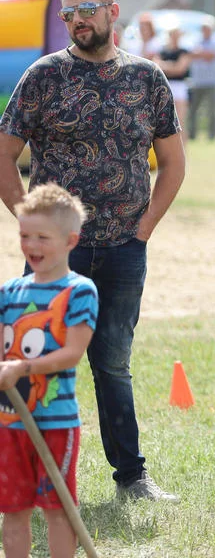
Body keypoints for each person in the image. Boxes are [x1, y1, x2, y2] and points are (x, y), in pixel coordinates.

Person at [0, 0, 185, 501]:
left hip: (125, 247)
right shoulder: (42, 76)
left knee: (113, 364)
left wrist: (145, 227)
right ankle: (26, 471)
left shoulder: (147, 77)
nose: (79, 20)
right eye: (70, 13)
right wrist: (32, 226)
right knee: (33, 359)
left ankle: (131, 477)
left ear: (112, 10)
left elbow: (172, 162)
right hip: (55, 257)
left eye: (88, 9)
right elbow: (5, 154)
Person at [0, 185, 98, 558]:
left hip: (54, 421)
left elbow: (72, 353)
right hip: (9, 422)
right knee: (13, 508)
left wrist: (21, 367)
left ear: (70, 240)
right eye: (25, 235)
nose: (31, 244)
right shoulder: (8, 292)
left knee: (59, 509)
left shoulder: (79, 291)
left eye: (42, 237)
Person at [188, 16, 215, 140]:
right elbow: (191, 54)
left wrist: (200, 53)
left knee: (212, 110)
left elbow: (211, 55)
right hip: (197, 81)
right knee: (193, 110)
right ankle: (192, 134)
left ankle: (212, 135)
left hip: (213, 81)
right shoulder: (196, 40)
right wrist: (202, 54)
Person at [155, 22, 192, 137]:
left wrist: (166, 66)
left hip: (179, 86)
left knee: (180, 121)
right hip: (165, 85)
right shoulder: (162, 51)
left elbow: (180, 69)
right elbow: (156, 65)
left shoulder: (183, 51)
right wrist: (172, 65)